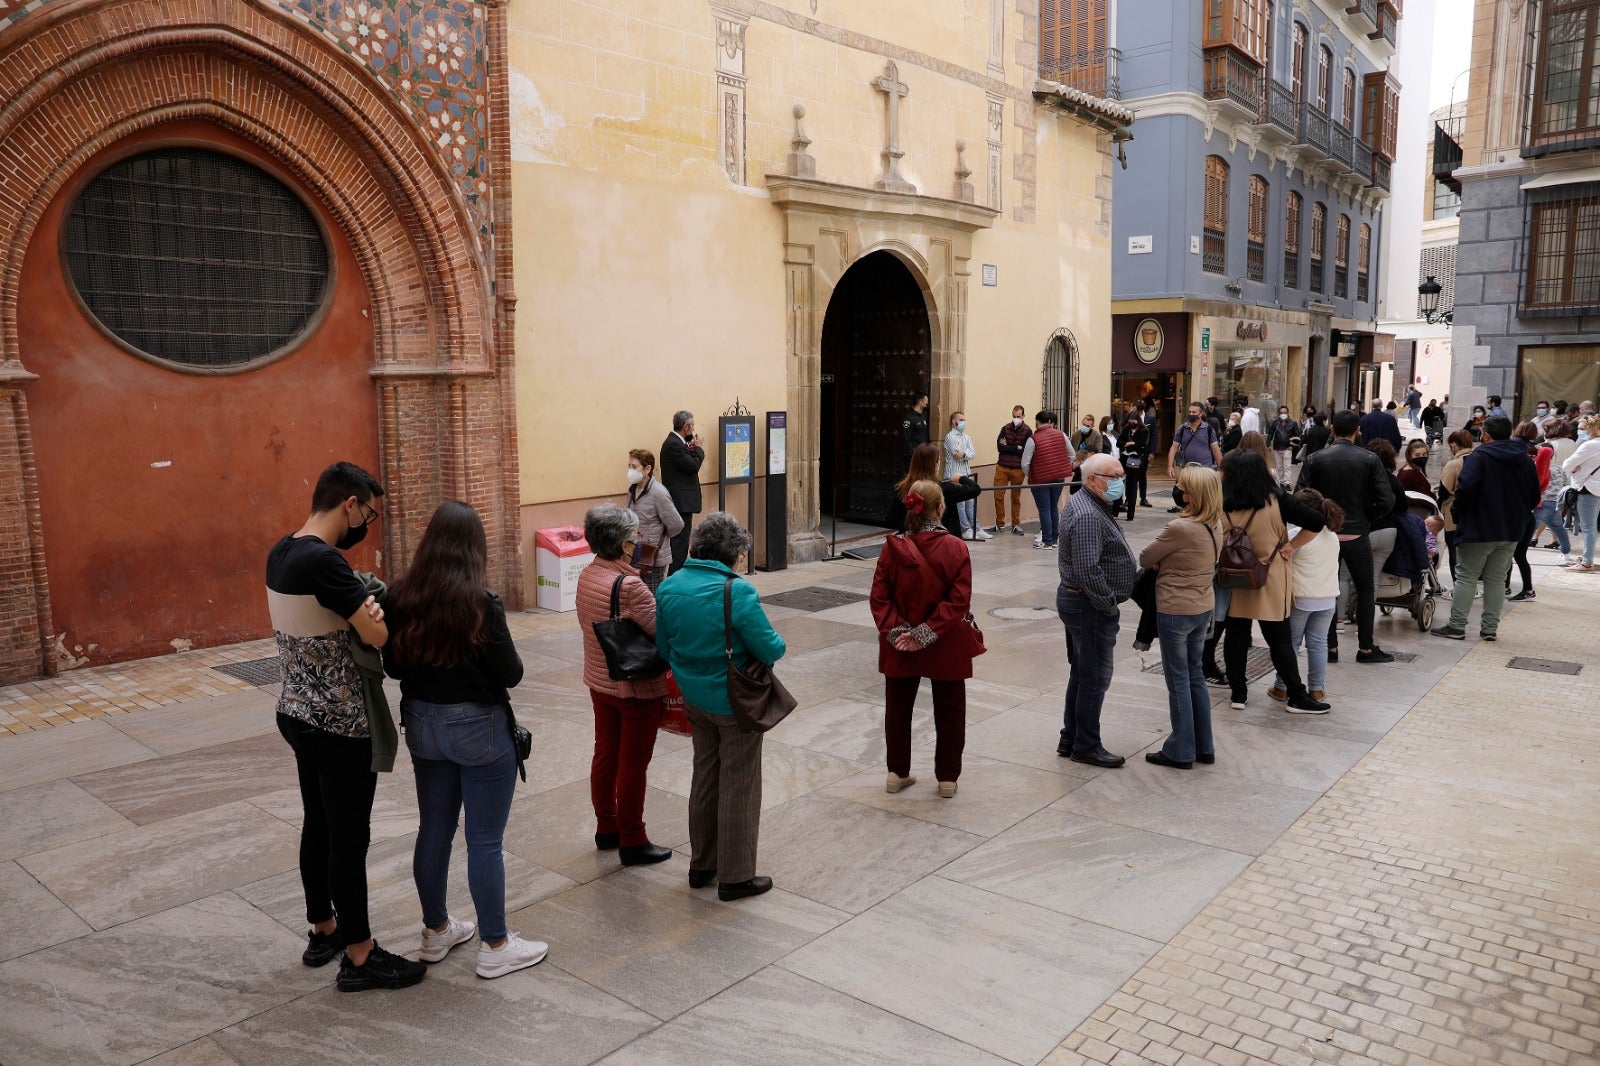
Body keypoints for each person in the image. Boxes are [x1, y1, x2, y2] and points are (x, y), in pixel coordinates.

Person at [267, 462, 425, 992]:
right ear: (349, 505)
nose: (367, 525)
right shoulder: (326, 563)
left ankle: (324, 928)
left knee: (319, 823)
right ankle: (360, 955)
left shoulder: (282, 550)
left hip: (296, 711)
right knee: (349, 838)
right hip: (339, 724)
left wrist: (362, 609)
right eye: (369, 513)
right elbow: (377, 635)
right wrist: (371, 612)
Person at [384, 501, 546, 981]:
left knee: (433, 830)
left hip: (423, 726)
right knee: (484, 839)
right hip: (479, 729)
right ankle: (495, 944)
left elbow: (393, 667)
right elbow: (511, 673)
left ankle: (436, 930)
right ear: (474, 548)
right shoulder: (481, 602)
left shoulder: (401, 598)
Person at [655, 513, 786, 901]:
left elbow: (664, 647)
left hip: (694, 697)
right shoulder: (737, 592)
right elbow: (771, 647)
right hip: (734, 701)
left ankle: (702, 864)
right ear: (731, 554)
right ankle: (736, 876)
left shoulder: (670, 585)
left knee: (705, 777)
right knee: (739, 785)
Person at [575, 504, 675, 867]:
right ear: (620, 544)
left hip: (600, 682)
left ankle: (607, 828)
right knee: (633, 764)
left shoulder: (588, 575)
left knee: (605, 755)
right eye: (633, 538)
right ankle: (633, 839)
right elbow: (664, 634)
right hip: (634, 689)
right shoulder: (630, 586)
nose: (637, 543)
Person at [871, 479, 976, 798]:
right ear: (941, 508)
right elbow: (958, 602)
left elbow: (879, 599)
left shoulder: (891, 549)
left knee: (898, 709)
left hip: (899, 643)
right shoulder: (956, 548)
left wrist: (902, 633)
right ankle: (947, 778)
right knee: (950, 710)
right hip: (944, 640)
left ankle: (896, 772)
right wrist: (926, 634)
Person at [1219, 450, 1329, 712]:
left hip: (1234, 576)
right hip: (1269, 576)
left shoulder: (1221, 500)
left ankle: (1238, 694)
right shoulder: (1278, 500)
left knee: (1235, 635)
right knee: (1279, 640)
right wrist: (1292, 545)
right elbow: (1317, 520)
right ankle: (1296, 695)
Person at [1055, 453, 1137, 767]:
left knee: (1081, 672)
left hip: (1082, 603)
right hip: (1089, 606)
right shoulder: (1089, 512)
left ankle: (1071, 737)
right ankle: (1086, 745)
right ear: (1093, 479)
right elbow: (1089, 570)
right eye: (1114, 477)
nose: (1120, 482)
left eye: (1121, 476)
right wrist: (1108, 606)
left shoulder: (1089, 502)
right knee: (1094, 677)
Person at [1138, 466, 1223, 768]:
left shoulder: (1179, 527)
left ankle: (1181, 749)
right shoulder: (1216, 523)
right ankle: (1204, 746)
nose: (1179, 491)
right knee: (1195, 674)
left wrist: (1163, 563)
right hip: (1202, 607)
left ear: (1194, 495)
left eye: (1184, 487)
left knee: (1178, 681)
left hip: (1175, 609)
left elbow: (1146, 557)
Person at [1296, 409, 1396, 664]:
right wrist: (1366, 519)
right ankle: (1366, 647)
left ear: (1332, 430)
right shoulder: (1370, 459)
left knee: (1328, 588)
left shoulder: (1316, 458)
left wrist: (1322, 518)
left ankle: (1330, 647)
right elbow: (1387, 500)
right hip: (1357, 534)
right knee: (1365, 589)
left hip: (1324, 533)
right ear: (1358, 430)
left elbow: (1301, 497)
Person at [1432, 416, 1540, 641]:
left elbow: (1466, 489)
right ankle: (1490, 629)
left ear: (1486, 435)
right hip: (1510, 530)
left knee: (1466, 577)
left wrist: (1458, 514)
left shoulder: (1479, 457)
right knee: (1497, 579)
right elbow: (1534, 496)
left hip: (1478, 528)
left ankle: (1457, 626)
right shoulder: (1525, 459)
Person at [1267, 489, 1342, 709]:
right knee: (1318, 644)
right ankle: (1317, 690)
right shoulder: (1332, 535)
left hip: (1301, 597)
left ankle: (1281, 687)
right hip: (1328, 597)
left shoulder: (1296, 535)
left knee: (1291, 643)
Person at [626, 448, 685, 592]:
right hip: (634, 553)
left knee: (652, 600)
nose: (630, 471)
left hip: (653, 557)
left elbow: (676, 524)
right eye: (629, 466)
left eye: (634, 467)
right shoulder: (632, 490)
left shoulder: (658, 493)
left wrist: (660, 536)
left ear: (647, 469)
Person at [660, 411, 706, 576]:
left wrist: (691, 450)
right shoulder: (673, 444)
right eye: (692, 426)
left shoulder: (677, 444)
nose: (693, 430)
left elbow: (685, 464)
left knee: (680, 545)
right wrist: (699, 450)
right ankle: (675, 580)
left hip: (681, 502)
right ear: (685, 427)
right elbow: (692, 467)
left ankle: (676, 578)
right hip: (680, 503)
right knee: (679, 547)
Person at [1508, 421, 1547, 601]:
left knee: (1508, 552)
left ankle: (1507, 585)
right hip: (1526, 514)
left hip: (1513, 514)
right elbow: (1536, 494)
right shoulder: (1531, 456)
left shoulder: (1509, 451)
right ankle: (1526, 588)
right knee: (1518, 553)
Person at [1022, 410, 1073, 549]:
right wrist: (1062, 466)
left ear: (1037, 422)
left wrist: (1030, 475)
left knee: (1044, 509)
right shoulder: (1061, 434)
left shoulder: (1033, 439)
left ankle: (1046, 542)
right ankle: (1055, 540)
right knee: (1053, 507)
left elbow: (1025, 463)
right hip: (1058, 477)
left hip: (1040, 480)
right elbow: (1072, 454)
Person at [1166, 401, 1223, 512]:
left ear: (1201, 414)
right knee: (1187, 494)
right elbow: (1174, 447)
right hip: (1188, 469)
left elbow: (1216, 450)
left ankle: (1204, 513)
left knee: (1204, 495)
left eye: (1194, 412)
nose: (1191, 414)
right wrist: (1170, 466)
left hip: (1205, 469)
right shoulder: (1182, 429)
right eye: (1190, 412)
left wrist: (1222, 468)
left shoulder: (1208, 429)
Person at [1561, 415, 1600, 574]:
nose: (1579, 432)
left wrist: (1575, 468)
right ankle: (1586, 557)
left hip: (1587, 488)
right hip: (1596, 489)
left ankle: (1586, 562)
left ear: (1591, 429)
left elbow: (1567, 464)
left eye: (1582, 429)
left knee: (1588, 527)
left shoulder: (1589, 445)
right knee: (1591, 526)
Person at [942, 411, 989, 541]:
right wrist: (965, 454)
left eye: (964, 420)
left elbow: (973, 453)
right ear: (954, 421)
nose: (963, 422)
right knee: (960, 504)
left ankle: (977, 528)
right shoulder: (950, 437)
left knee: (970, 502)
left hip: (966, 473)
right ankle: (965, 529)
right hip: (954, 474)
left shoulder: (966, 437)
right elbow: (956, 455)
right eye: (961, 420)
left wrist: (964, 454)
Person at [1437, 429, 1475, 579]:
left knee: (1455, 554)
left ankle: (1458, 586)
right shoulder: (1480, 459)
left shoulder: (1453, 464)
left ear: (1453, 445)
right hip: (1477, 515)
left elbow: (1444, 491)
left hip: (1454, 516)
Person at [1535, 420, 1574, 559]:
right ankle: (1566, 551)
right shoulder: (1572, 443)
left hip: (1543, 500)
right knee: (1558, 527)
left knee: (1531, 526)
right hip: (1558, 499)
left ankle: (1520, 546)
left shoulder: (1548, 449)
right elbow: (1567, 480)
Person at [993, 405, 1032, 535]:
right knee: (998, 495)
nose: (1016, 419)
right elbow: (1000, 447)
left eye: (1018, 417)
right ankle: (1000, 524)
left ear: (1023, 416)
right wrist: (1016, 448)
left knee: (1015, 497)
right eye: (1014, 417)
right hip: (1002, 467)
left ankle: (1015, 524)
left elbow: (1026, 451)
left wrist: (1009, 447)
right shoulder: (1005, 428)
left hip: (1017, 469)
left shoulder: (1027, 431)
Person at [1117, 412, 1149, 521]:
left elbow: (1140, 446)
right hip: (1124, 459)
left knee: (1132, 485)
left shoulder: (1143, 430)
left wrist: (1128, 446)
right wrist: (1127, 444)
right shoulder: (1126, 429)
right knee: (1118, 482)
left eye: (1134, 420)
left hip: (1135, 460)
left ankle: (1130, 513)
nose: (1132, 422)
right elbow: (1119, 443)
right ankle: (1116, 509)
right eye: (1130, 420)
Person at [1267, 405, 1297, 486]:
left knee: (1287, 466)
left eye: (1284, 412)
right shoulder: (1275, 423)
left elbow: (1297, 436)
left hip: (1288, 447)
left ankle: (1287, 483)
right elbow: (1270, 434)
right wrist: (1268, 444)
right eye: (1281, 413)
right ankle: (1281, 482)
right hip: (1277, 447)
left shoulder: (1293, 423)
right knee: (1279, 466)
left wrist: (1292, 446)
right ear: (1278, 413)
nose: (1283, 414)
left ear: (1288, 413)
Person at [901, 392, 930, 462]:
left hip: (923, 454)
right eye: (926, 401)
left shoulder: (922, 417)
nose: (927, 403)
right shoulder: (909, 418)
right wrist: (913, 455)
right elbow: (905, 438)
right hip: (914, 457)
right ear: (921, 402)